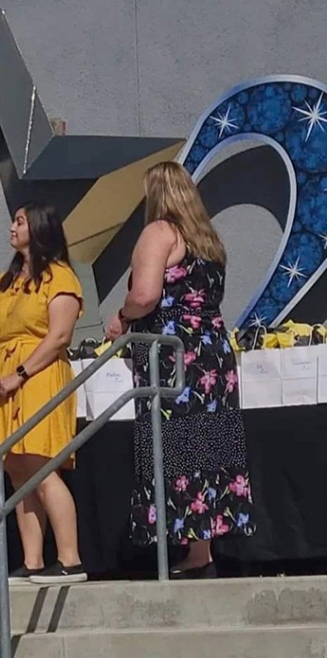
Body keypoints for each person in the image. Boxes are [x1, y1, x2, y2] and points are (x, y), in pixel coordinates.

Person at [105, 161, 254, 578]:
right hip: (211, 351)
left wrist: (122, 314)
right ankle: (200, 550)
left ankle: (186, 546)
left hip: (175, 354)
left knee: (174, 443)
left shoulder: (159, 232)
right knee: (204, 444)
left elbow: (146, 294)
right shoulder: (206, 240)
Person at [0, 202, 87, 586]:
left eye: (19, 221)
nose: (11, 227)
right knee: (18, 471)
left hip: (37, 376)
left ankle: (70, 558)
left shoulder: (60, 277)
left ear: (38, 227)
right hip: (0, 383)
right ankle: (32, 560)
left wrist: (20, 374)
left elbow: (59, 336)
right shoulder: (3, 282)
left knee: (41, 464)